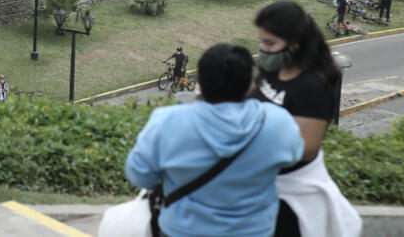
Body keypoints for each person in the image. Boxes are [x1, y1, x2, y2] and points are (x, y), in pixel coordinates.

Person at [126, 43, 304, 237]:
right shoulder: (278, 122)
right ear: (251, 84)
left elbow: (139, 175)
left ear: (200, 82)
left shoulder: (167, 120)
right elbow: (294, 159)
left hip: (182, 231)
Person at [249, 1, 362, 237]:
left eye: (270, 43)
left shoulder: (312, 86)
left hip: (289, 196)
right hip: (258, 184)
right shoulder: (273, 69)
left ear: (295, 43)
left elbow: (305, 148)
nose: (263, 48)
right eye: (262, 41)